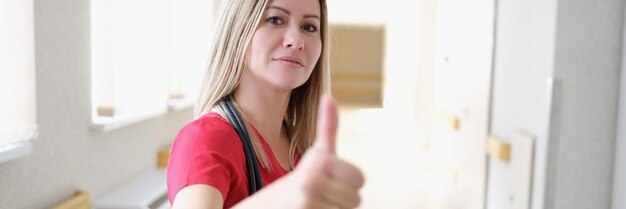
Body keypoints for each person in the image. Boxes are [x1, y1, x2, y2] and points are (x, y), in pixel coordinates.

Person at [166, 0, 365, 208]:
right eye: (275, 19)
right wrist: (282, 197)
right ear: (238, 31)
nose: (296, 41)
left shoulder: (301, 149)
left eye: (309, 27)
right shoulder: (204, 139)